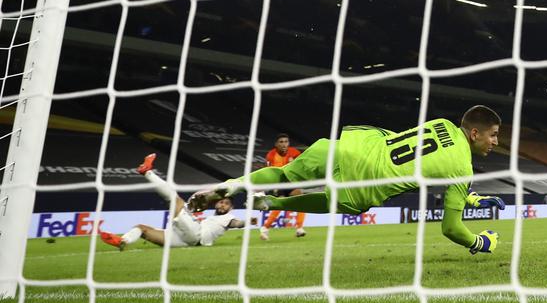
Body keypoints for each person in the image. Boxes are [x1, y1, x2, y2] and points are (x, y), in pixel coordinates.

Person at [187, 106, 506, 254]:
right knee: (336, 203)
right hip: (366, 185)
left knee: (284, 173)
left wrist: (471, 197)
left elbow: (429, 162)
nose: (495, 142)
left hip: (348, 149)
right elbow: (451, 229)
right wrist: (481, 242)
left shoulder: (440, 123)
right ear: (475, 133)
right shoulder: (462, 166)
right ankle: (274, 202)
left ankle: (234, 185)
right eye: (492, 136)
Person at [100, 154, 250, 250]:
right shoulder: (211, 218)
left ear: (231, 208)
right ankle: (122, 241)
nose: (223, 205)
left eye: (226, 204)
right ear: (216, 204)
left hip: (196, 235)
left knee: (175, 200)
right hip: (182, 240)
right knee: (142, 229)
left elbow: (236, 224)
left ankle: (147, 171)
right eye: (221, 202)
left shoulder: (228, 218)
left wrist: (247, 222)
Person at [260, 133, 306, 240]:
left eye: (286, 142)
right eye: (281, 142)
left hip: (290, 182)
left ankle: (299, 228)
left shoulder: (294, 153)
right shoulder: (271, 155)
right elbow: (268, 172)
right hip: (278, 183)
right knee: (280, 205)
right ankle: (265, 228)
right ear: (276, 144)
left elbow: (301, 166)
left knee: (300, 199)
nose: (284, 144)